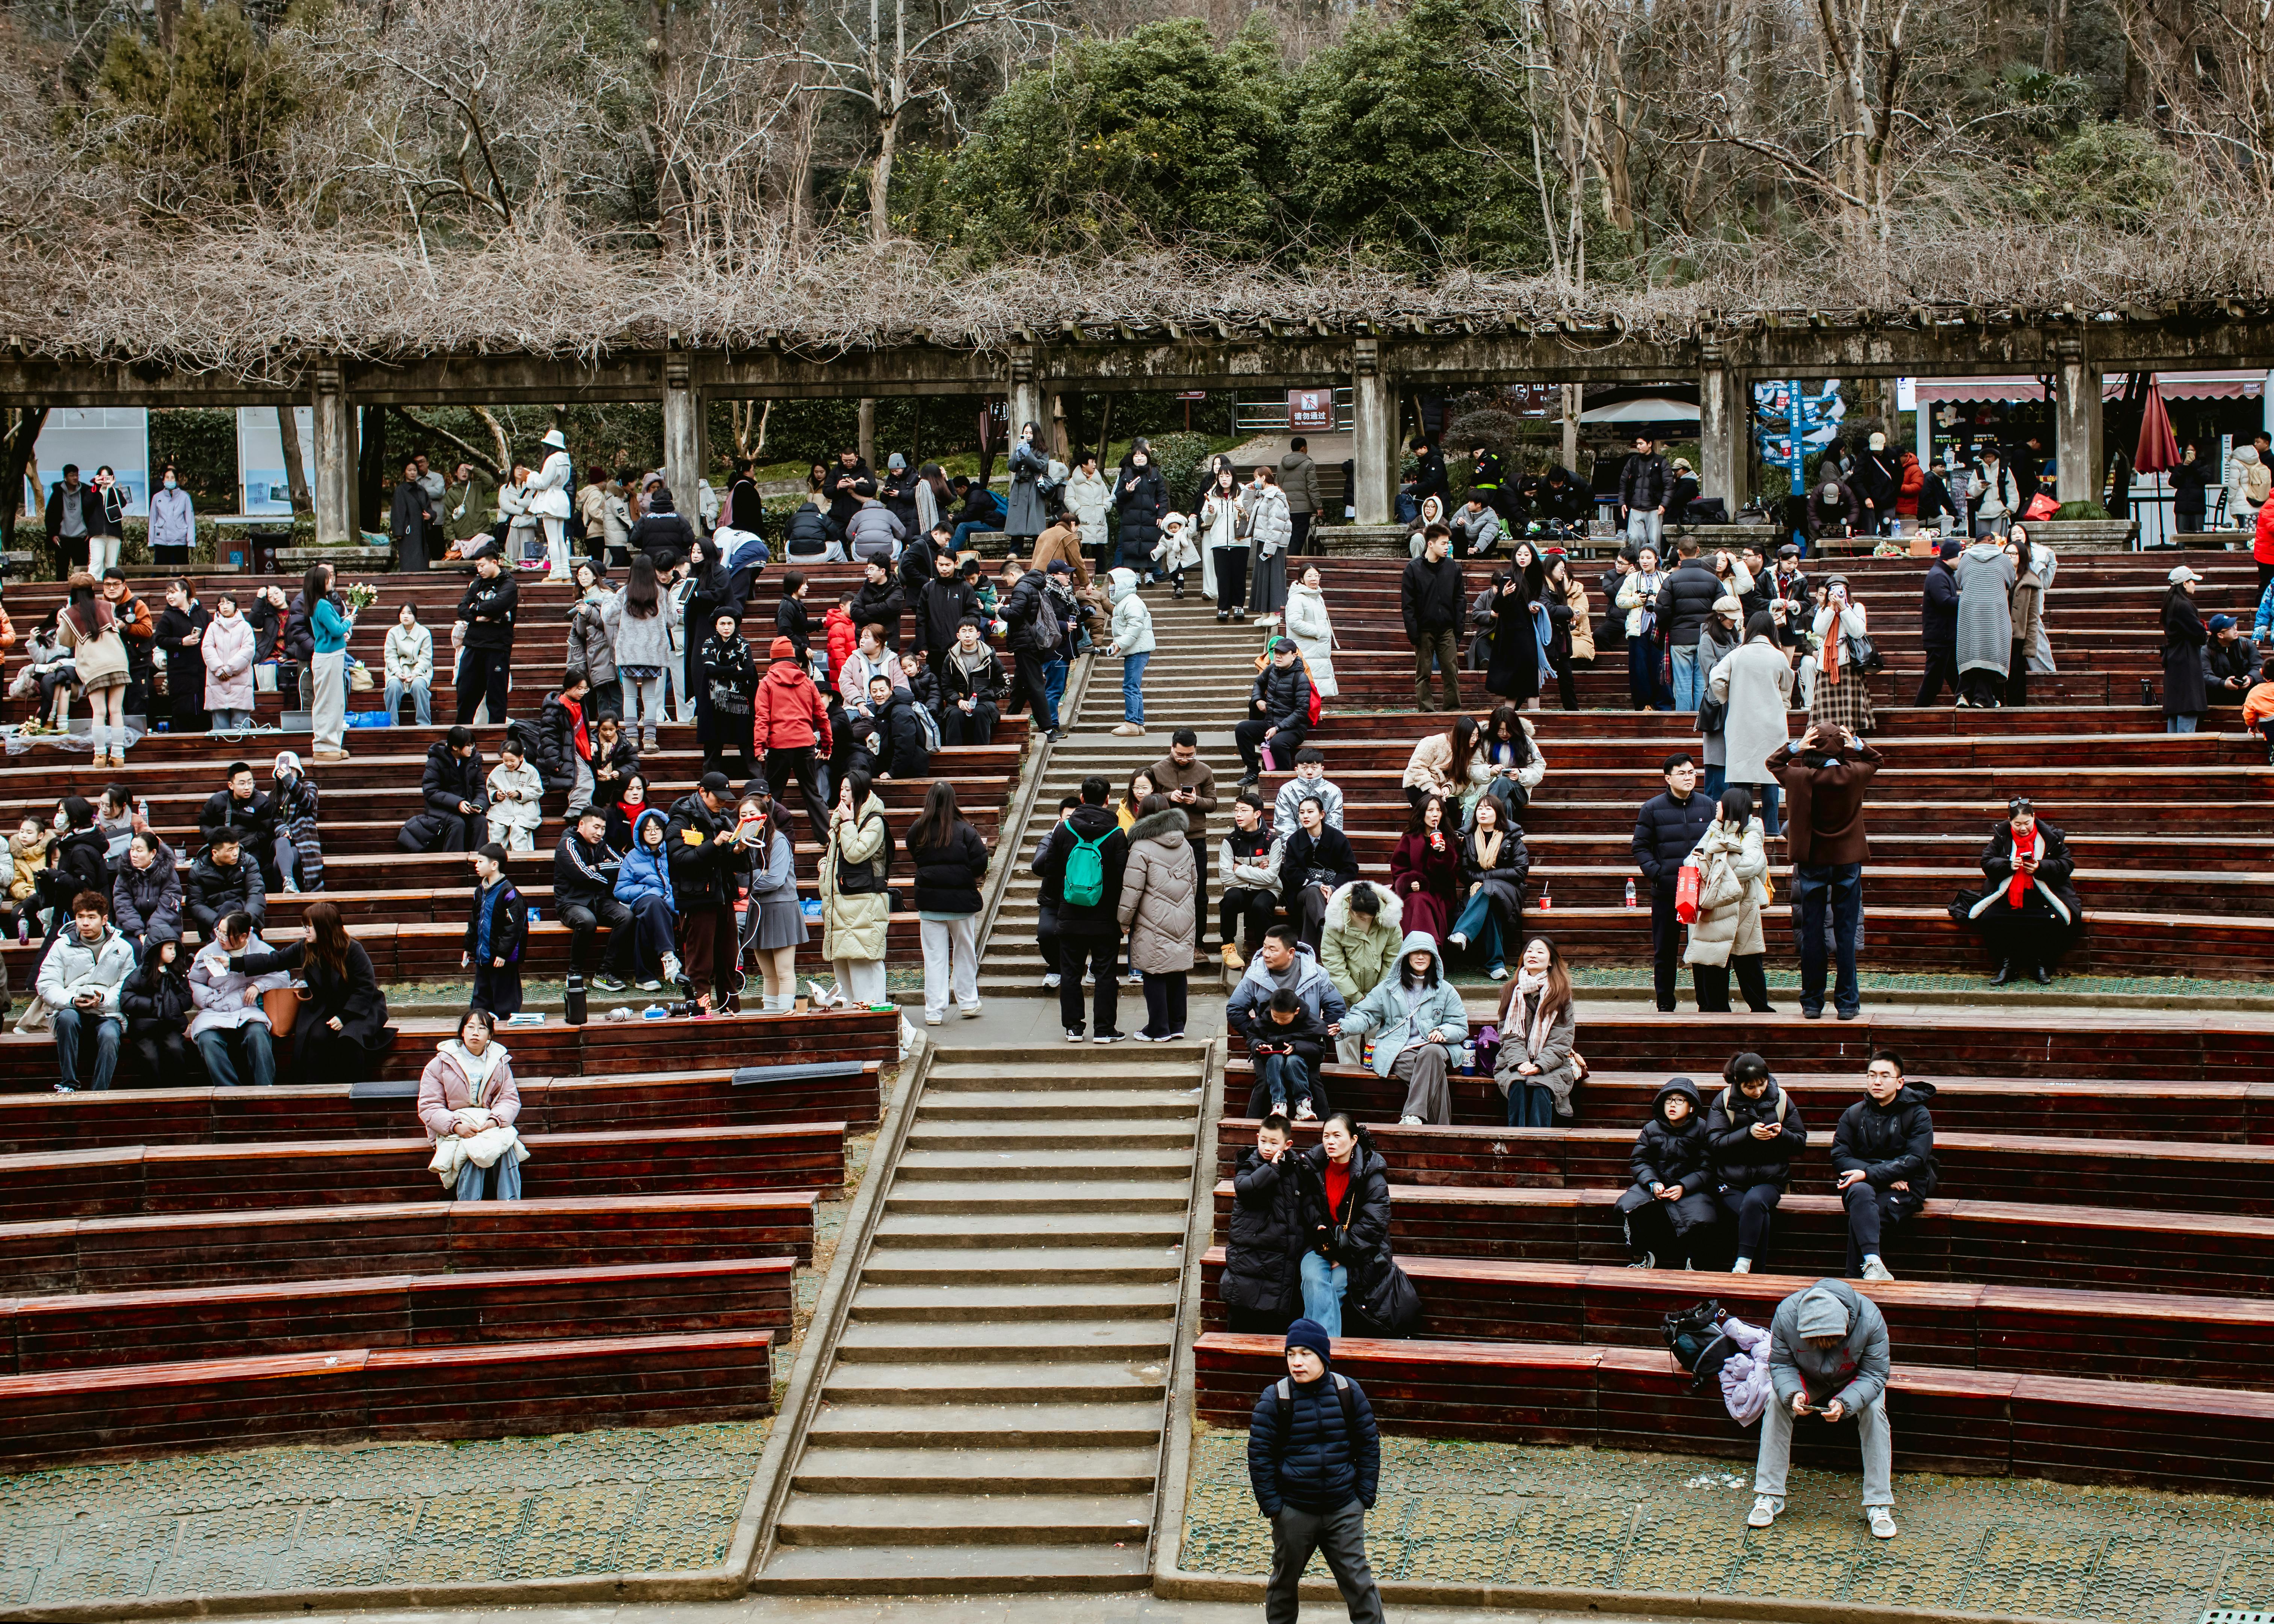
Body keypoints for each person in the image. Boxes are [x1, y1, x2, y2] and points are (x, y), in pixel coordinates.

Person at [1246, 1318, 1387, 1624]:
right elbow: (1260, 1458)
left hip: (1343, 1509)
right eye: (1291, 1354)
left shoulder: (1348, 1392)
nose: (1297, 1363)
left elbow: (1368, 1446)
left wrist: (1362, 1498)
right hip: (1295, 1511)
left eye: (1306, 1354)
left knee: (1360, 1586)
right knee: (1284, 1585)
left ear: (1323, 1356)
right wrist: (1275, 1510)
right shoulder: (1275, 1399)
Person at [1749, 1278, 1898, 1539]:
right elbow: (1781, 1365)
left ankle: (1879, 1504)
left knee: (1875, 1410)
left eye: (1831, 1339)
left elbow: (1875, 1374)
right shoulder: (1786, 1315)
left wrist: (1846, 1402)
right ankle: (1769, 1495)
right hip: (1810, 1378)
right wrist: (1793, 1394)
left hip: (1856, 1377)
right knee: (1776, 1400)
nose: (1824, 1345)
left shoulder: (1871, 1318)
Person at [1768, 724, 1882, 1022]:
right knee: (1846, 934)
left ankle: (1812, 1003)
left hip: (1812, 861)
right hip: (1847, 861)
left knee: (1813, 934)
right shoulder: (1855, 774)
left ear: (1814, 747)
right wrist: (1857, 744)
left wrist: (1797, 746)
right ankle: (1847, 1004)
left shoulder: (1800, 777)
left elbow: (1773, 763)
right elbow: (1876, 760)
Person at [1293, 1112, 1412, 1337]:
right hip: (1320, 1247)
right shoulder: (1313, 1169)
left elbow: (1374, 1224)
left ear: (1354, 1140)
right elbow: (1308, 1207)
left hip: (1360, 1254)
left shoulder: (1371, 1175)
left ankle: (1316, 1351)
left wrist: (1342, 1254)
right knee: (1313, 1278)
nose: (1331, 1141)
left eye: (1338, 1136)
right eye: (1326, 1136)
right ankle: (1325, 1357)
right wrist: (1319, 1230)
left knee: (1335, 1287)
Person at [1031, 775, 1129, 1041]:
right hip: (1105, 917)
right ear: (1108, 800)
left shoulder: (1064, 830)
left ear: (1082, 799)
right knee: (1106, 974)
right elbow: (1121, 877)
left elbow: (1051, 871)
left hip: (1070, 913)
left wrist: (1059, 903)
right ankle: (1105, 1030)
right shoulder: (1116, 833)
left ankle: (1074, 1028)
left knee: (1071, 972)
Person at [1832, 1049, 1939, 1282]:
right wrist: (1878, 1175)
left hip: (1907, 1186)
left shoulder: (1918, 1114)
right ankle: (1873, 1264)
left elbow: (1916, 1159)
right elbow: (1840, 1156)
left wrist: (1869, 1173)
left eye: (1884, 1076)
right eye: (1871, 1075)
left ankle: (1853, 1280)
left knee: (1865, 1216)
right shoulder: (1854, 1114)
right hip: (1864, 1183)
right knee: (1860, 1192)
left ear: (1900, 1082)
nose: (1876, 1081)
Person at [1339, 933, 1468, 1127]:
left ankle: (1412, 1115)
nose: (1421, 956)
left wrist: (1443, 1032)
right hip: (1400, 1049)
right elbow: (1365, 1014)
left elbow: (1460, 1025)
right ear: (1406, 956)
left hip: (1435, 1047)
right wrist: (1345, 1027)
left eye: (1426, 952)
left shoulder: (1446, 990)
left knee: (1430, 1053)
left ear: (1434, 957)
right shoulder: (1388, 988)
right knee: (1433, 1076)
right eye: (1415, 952)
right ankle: (1442, 1131)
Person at [1707, 1052, 1807, 1274]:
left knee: (1754, 1203)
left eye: (1761, 1084)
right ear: (1737, 1082)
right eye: (1750, 1087)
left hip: (1770, 1180)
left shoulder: (1781, 1098)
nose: (1758, 1091)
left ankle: (1743, 1264)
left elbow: (1800, 1143)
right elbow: (1714, 1144)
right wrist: (1747, 1134)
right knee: (1757, 1213)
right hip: (1730, 1181)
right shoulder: (1723, 1101)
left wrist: (1782, 1134)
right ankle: (1758, 1273)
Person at [1967, 796, 2083, 984]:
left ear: (2034, 817)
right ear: (2010, 821)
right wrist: (2008, 865)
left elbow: (2067, 865)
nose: (2023, 828)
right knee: (1990, 919)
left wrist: (2041, 867)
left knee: (2055, 921)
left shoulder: (2051, 836)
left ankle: (2039, 964)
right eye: (2017, 823)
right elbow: (1986, 862)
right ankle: (2008, 965)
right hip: (2007, 896)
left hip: (2043, 896)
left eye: (2027, 823)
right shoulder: (2002, 836)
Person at [414, 1008, 526, 1201]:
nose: (476, 1033)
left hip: (487, 1124)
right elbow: (429, 1106)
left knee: (506, 1145)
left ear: (490, 1034)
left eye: (482, 1028)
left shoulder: (499, 1063)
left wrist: (495, 1120)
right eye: (471, 1027)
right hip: (454, 1126)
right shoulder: (440, 1064)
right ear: (462, 1032)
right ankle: (469, 1206)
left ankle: (511, 1204)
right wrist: (456, 1126)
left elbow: (509, 1099)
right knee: (473, 1149)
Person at [1632, 754, 1715, 1014]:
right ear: (1668, 778)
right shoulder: (1652, 808)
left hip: (1701, 892)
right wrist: (1657, 873)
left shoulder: (1708, 805)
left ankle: (1707, 1002)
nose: (1689, 777)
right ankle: (1666, 1003)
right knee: (1665, 952)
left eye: (1692, 772)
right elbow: (1640, 846)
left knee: (1702, 950)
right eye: (1682, 773)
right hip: (1667, 891)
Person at [903, 780, 989, 1028]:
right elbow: (980, 863)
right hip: (961, 904)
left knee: (934, 958)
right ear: (953, 801)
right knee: (964, 952)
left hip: (930, 905)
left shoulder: (918, 830)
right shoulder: (966, 831)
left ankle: (934, 1011)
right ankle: (969, 1002)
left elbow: (914, 854)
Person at [1685, 786, 1774, 1014]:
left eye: (1721, 803)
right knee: (1713, 959)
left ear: (1731, 807)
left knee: (1748, 961)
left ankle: (1761, 1010)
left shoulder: (1753, 832)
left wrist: (1713, 859)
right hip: (1715, 908)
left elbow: (1750, 867)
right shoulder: (1715, 829)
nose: (1717, 806)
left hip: (1743, 908)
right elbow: (1690, 861)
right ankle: (1714, 1010)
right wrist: (1719, 856)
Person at [1616, 1077, 1718, 1269]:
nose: (1673, 1105)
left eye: (1680, 1100)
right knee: (1628, 1205)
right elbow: (1640, 1161)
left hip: (1692, 1189)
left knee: (1703, 1217)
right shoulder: (1651, 1128)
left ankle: (1695, 1263)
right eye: (1669, 1100)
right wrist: (1653, 1183)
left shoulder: (1703, 1130)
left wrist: (1683, 1186)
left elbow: (1707, 1168)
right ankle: (1642, 1256)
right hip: (1656, 1186)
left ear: (1691, 1108)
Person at [1117, 794, 1196, 1042]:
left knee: (1154, 972)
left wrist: (1124, 921)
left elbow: (1132, 890)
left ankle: (1158, 1028)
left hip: (1152, 918)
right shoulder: (1186, 844)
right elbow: (1194, 882)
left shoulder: (1140, 847)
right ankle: (1177, 1025)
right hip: (1183, 915)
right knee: (1177, 970)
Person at [38, 892, 135, 1091]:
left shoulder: (123, 948)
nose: (85, 923)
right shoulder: (61, 946)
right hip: (71, 1009)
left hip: (106, 1011)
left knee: (110, 1035)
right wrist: (72, 1000)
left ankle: (99, 1091)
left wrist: (103, 999)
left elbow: (127, 986)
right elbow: (47, 983)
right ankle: (68, 1083)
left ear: (104, 919)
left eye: (91, 917)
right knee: (67, 1019)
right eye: (80, 917)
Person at [815, 771, 892, 1011]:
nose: (843, 793)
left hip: (864, 906)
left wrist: (847, 823)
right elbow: (837, 857)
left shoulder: (874, 822)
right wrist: (825, 867)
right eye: (841, 789)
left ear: (860, 791)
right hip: (841, 906)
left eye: (848, 789)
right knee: (843, 978)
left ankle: (878, 1025)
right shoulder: (841, 820)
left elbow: (856, 853)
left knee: (865, 972)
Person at [1225, 1116, 1307, 1335]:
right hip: (1251, 1256)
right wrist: (1272, 1169)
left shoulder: (1295, 1169)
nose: (1267, 1148)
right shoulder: (1248, 1164)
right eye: (1263, 1141)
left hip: (1281, 1258)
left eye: (1274, 1143)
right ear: (1257, 1138)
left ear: (1287, 1145)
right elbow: (1246, 1188)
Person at [187, 910, 287, 1088]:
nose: (220, 938)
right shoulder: (207, 953)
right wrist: (210, 999)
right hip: (215, 1010)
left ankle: (265, 1089)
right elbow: (193, 981)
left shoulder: (262, 950)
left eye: (226, 934)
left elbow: (283, 976)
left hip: (249, 1010)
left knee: (258, 1034)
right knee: (207, 1040)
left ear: (243, 937)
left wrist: (259, 986)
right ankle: (228, 1090)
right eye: (219, 931)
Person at [755, 635, 834, 852]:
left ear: (773, 660)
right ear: (793, 659)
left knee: (771, 794)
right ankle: (826, 839)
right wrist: (827, 745)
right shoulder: (807, 682)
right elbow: (821, 716)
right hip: (804, 744)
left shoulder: (767, 683)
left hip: (779, 745)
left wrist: (759, 745)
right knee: (812, 792)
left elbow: (762, 716)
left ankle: (763, 838)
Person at [1494, 934, 1579, 1127]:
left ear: (1550, 962)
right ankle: (1517, 1142)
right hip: (1514, 1060)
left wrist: (1540, 1065)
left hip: (1553, 1063)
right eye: (1529, 951)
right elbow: (1508, 1035)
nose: (1533, 955)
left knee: (1542, 1085)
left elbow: (1562, 1038)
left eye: (1540, 952)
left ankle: (1539, 1146)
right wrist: (1521, 1062)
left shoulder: (1561, 992)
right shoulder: (1511, 990)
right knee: (1517, 1084)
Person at [1320, 882, 1401, 1067]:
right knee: (1348, 1040)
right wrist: (1355, 995)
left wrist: (1378, 993)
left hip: (1380, 991)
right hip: (1346, 995)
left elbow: (1393, 958)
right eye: (1360, 916)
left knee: (1378, 1039)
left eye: (1369, 917)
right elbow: (1333, 962)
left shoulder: (1389, 921)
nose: (1365, 920)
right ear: (1350, 907)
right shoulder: (1335, 922)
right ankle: (1349, 1082)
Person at [57, 576, 130, 768]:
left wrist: (61, 618)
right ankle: (118, 755)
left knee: (99, 712)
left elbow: (65, 641)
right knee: (116, 711)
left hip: (94, 667)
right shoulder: (107, 606)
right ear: (92, 589)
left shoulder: (70, 614)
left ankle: (99, 757)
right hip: (118, 663)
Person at [554, 806, 630, 992]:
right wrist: (604, 876)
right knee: (588, 921)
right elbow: (582, 874)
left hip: (600, 900)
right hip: (572, 902)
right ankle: (574, 973)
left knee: (627, 917)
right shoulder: (567, 844)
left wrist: (597, 867)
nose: (600, 833)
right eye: (596, 827)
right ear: (582, 825)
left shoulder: (602, 844)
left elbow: (622, 865)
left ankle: (604, 973)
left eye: (603, 828)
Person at [613, 806, 682, 990]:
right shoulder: (633, 857)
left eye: (657, 829)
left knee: (645, 923)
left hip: (673, 904)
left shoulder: (675, 852)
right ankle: (668, 956)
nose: (653, 833)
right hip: (645, 901)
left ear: (664, 830)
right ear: (641, 832)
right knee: (653, 903)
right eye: (648, 830)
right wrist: (647, 889)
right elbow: (620, 890)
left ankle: (644, 978)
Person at [1278, 793, 1358, 952]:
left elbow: (1350, 869)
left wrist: (1333, 887)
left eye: (1310, 812)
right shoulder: (1295, 840)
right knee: (1314, 892)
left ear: (1322, 815)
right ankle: (1325, 929)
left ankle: (1309, 952)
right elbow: (1291, 872)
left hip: (1334, 892)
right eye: (1302, 812)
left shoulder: (1337, 838)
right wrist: (1318, 885)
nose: (1305, 816)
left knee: (1312, 907)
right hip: (1302, 892)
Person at [1401, 524, 1465, 712]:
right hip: (1423, 630)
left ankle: (1453, 709)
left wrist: (1458, 630)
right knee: (1423, 674)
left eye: (1448, 543)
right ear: (1430, 544)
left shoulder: (1452, 567)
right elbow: (1408, 605)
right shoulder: (1413, 569)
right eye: (1444, 543)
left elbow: (1460, 599)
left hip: (1447, 629)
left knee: (1451, 672)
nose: (1447, 547)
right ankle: (1426, 711)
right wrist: (1414, 633)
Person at [119, 927, 195, 1083]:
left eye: (175, 948)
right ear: (156, 950)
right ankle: (155, 1090)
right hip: (145, 1028)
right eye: (169, 949)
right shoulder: (141, 974)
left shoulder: (177, 972)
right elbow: (126, 998)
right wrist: (152, 1005)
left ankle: (178, 1088)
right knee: (150, 1056)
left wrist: (174, 1004)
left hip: (170, 1025)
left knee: (176, 1049)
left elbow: (187, 997)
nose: (173, 953)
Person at [1388, 794, 1462, 953]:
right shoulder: (1410, 839)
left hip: (1439, 894)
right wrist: (1410, 882)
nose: (1435, 814)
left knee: (1420, 900)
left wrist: (1442, 856)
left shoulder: (1450, 840)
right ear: (1422, 813)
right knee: (1417, 900)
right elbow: (1399, 869)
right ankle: (1423, 950)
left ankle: (1424, 951)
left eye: (1439, 810)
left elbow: (1453, 876)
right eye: (1430, 810)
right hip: (1413, 893)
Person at [1236, 639, 1314, 789]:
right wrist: (1258, 699)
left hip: (1294, 729)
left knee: (1278, 743)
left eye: (1283, 653)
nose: (1278, 656)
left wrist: (1278, 729)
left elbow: (1301, 712)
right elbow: (1258, 683)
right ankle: (1253, 771)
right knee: (1242, 729)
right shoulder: (1272, 669)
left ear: (1293, 656)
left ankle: (1285, 780)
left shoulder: (1301, 678)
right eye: (1276, 652)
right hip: (1271, 722)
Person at [1218, 793, 1281, 973]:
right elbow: (1226, 877)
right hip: (1240, 889)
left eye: (1244, 811)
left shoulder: (1272, 841)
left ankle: (1264, 951)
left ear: (1257, 814)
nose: (1238, 815)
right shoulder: (1230, 841)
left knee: (1261, 906)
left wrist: (1239, 868)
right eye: (1236, 810)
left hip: (1268, 890)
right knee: (1230, 898)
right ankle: (1228, 946)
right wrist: (1257, 872)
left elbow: (1271, 878)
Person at [453, 553, 518, 726]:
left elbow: (497, 605)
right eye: (477, 566)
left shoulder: (509, 585)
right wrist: (477, 617)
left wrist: (475, 607)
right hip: (473, 644)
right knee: (466, 693)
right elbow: (461, 608)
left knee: (496, 698)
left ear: (494, 563)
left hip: (497, 647)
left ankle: (496, 737)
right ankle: (461, 736)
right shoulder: (476, 583)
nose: (479, 569)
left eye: (482, 565)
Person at [462, 844, 526, 1017]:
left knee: (505, 997)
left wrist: (503, 953)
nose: (476, 865)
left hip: (501, 959)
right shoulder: (480, 891)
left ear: (494, 865)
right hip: (484, 956)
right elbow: (474, 922)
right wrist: (469, 947)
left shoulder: (509, 893)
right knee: (481, 997)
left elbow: (514, 928)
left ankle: (506, 1026)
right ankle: (481, 1023)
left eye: (480, 861)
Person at [400, 727, 487, 854]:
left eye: (473, 745)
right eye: (468, 746)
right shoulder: (436, 761)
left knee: (481, 821)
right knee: (457, 823)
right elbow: (431, 791)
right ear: (455, 747)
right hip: (440, 810)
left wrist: (479, 804)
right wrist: (457, 803)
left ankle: (480, 860)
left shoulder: (474, 761)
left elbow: (480, 787)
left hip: (467, 808)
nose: (472, 748)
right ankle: (453, 863)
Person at [698, 610, 758, 781]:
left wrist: (722, 673)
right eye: (723, 624)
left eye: (730, 624)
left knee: (747, 741)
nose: (726, 627)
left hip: (739, 701)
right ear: (716, 626)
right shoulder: (709, 644)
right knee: (713, 744)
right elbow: (709, 669)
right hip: (714, 701)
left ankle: (758, 780)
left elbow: (749, 672)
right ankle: (709, 780)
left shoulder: (743, 644)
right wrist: (734, 669)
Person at [1614, 545, 1672, 711]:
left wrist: (1658, 600)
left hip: (1659, 627)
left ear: (1656, 559)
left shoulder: (1666, 578)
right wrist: (1637, 600)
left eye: (1649, 558)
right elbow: (1620, 600)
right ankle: (1643, 704)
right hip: (1638, 629)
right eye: (1642, 558)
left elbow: (1672, 601)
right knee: (1639, 668)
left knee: (1660, 666)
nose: (1645, 561)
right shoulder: (1632, 579)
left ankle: (1663, 703)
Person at [152, 579, 210, 735]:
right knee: (183, 709)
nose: (169, 597)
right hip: (180, 671)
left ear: (184, 593)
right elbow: (160, 639)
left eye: (173, 593)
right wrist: (181, 642)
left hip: (202, 669)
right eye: (167, 594)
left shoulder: (202, 613)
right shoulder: (168, 616)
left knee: (205, 707)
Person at [185, 832, 266, 942]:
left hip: (246, 918)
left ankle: (217, 945)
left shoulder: (248, 862)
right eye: (230, 850)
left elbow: (257, 894)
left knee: (232, 905)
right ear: (215, 853)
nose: (236, 853)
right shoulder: (198, 870)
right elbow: (195, 904)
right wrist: (222, 923)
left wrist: (244, 920)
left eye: (237, 847)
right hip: (212, 923)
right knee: (228, 906)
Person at [112, 831, 181, 956]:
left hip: (164, 927)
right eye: (132, 849)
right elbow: (123, 906)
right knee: (132, 948)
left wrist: (151, 934)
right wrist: (139, 933)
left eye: (139, 851)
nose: (134, 854)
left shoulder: (169, 875)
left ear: (153, 853)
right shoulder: (124, 874)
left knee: (160, 949)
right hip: (131, 929)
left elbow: (167, 909)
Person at [196, 592, 255, 732]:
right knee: (219, 725)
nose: (225, 606)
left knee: (241, 723)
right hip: (217, 680)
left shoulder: (245, 627)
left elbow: (248, 651)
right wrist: (219, 669)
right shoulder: (212, 627)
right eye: (221, 604)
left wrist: (229, 669)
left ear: (236, 606)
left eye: (228, 603)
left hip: (239, 679)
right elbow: (207, 648)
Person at [1914, 539, 1962, 706]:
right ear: (1950, 558)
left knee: (1956, 679)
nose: (1962, 561)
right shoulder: (1938, 576)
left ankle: (1966, 703)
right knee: (1933, 682)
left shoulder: (1943, 574)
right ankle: (1916, 715)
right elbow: (1945, 602)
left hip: (1945, 638)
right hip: (1940, 639)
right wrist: (1966, 598)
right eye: (1960, 557)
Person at [2162, 565, 2208, 734]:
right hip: (2186, 660)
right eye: (2192, 581)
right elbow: (2200, 635)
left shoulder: (2170, 603)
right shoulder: (2183, 605)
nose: (2194, 585)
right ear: (2184, 584)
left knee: (2176, 711)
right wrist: (2203, 628)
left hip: (2175, 659)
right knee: (2188, 706)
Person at [484, 736, 545, 852]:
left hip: (524, 809)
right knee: (496, 829)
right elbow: (490, 787)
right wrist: (496, 795)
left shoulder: (531, 771)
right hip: (503, 808)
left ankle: (520, 860)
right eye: (505, 761)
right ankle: (497, 856)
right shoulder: (498, 770)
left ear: (521, 757)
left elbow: (538, 791)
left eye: (512, 761)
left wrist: (520, 794)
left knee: (518, 830)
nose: (509, 764)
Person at [379, 601, 435, 726]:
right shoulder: (393, 633)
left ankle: (424, 724)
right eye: (403, 613)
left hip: (419, 672)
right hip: (397, 671)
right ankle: (392, 725)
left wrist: (415, 674)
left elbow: (425, 658)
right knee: (393, 686)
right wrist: (398, 673)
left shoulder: (424, 633)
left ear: (415, 616)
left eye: (409, 613)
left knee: (419, 686)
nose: (406, 616)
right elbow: (390, 656)